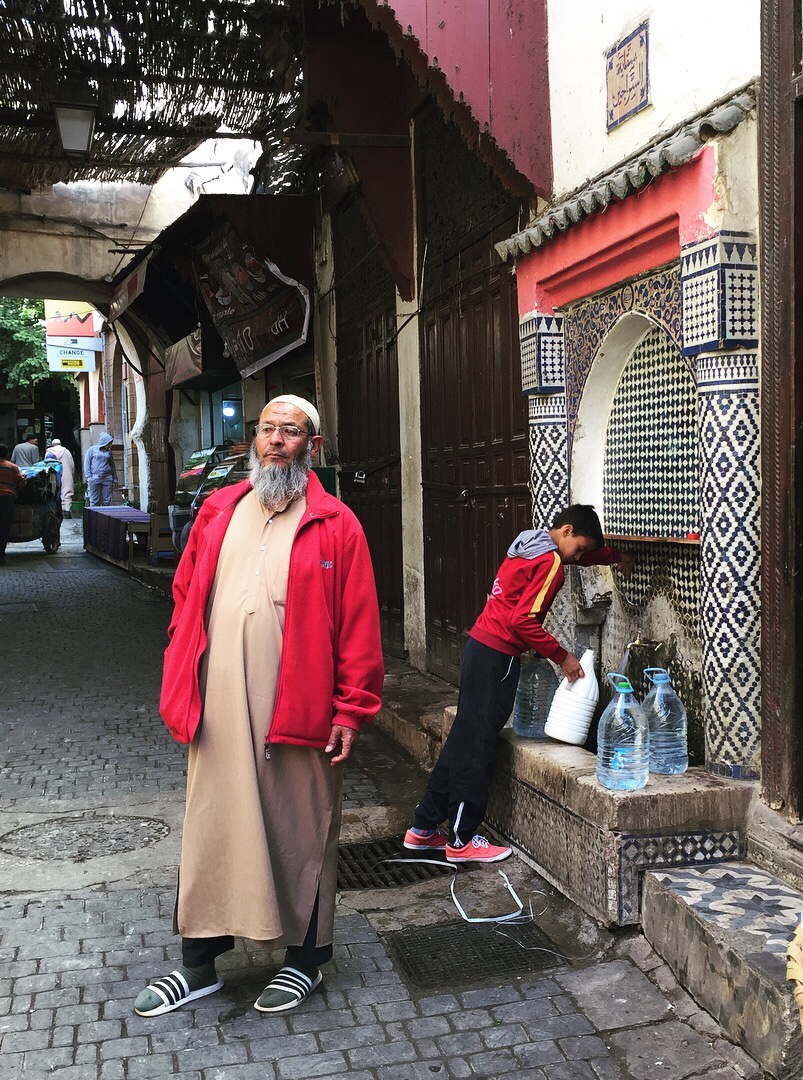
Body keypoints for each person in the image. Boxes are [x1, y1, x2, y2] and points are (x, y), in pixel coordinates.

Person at [134, 395, 383, 1018]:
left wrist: (350, 711)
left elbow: (359, 625)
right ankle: (199, 964)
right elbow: (186, 595)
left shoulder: (336, 524)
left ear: (311, 446)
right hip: (218, 700)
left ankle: (305, 960)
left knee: (302, 822)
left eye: (290, 432)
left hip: (300, 706)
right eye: (267, 429)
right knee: (213, 823)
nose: (275, 440)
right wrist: (182, 669)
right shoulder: (220, 508)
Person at [405, 504, 634, 862]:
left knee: (464, 738)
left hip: (479, 646)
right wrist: (563, 656)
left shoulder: (532, 544)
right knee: (478, 746)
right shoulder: (551, 563)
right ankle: (462, 841)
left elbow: (579, 555)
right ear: (567, 531)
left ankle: (423, 828)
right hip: (498, 656)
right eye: (579, 549)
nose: (578, 559)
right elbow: (523, 621)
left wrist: (616, 557)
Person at [0, 444, 26, 564]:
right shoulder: (12, 467)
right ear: (7, 455)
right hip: (7, 499)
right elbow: (22, 483)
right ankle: (1, 555)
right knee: (3, 527)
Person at [84, 432, 119, 506]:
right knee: (94, 501)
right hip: (95, 478)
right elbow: (87, 463)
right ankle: (94, 513)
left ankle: (106, 514)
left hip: (107, 478)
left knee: (107, 501)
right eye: (109, 443)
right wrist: (89, 477)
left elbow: (112, 466)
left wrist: (115, 479)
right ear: (104, 441)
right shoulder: (92, 450)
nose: (110, 445)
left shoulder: (109, 453)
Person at [44, 439, 76, 517]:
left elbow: (46, 465)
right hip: (66, 473)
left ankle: (55, 511)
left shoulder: (49, 453)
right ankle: (67, 510)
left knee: (53, 492)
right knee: (67, 492)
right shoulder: (67, 452)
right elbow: (72, 465)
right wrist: (72, 474)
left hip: (53, 475)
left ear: (52, 445)